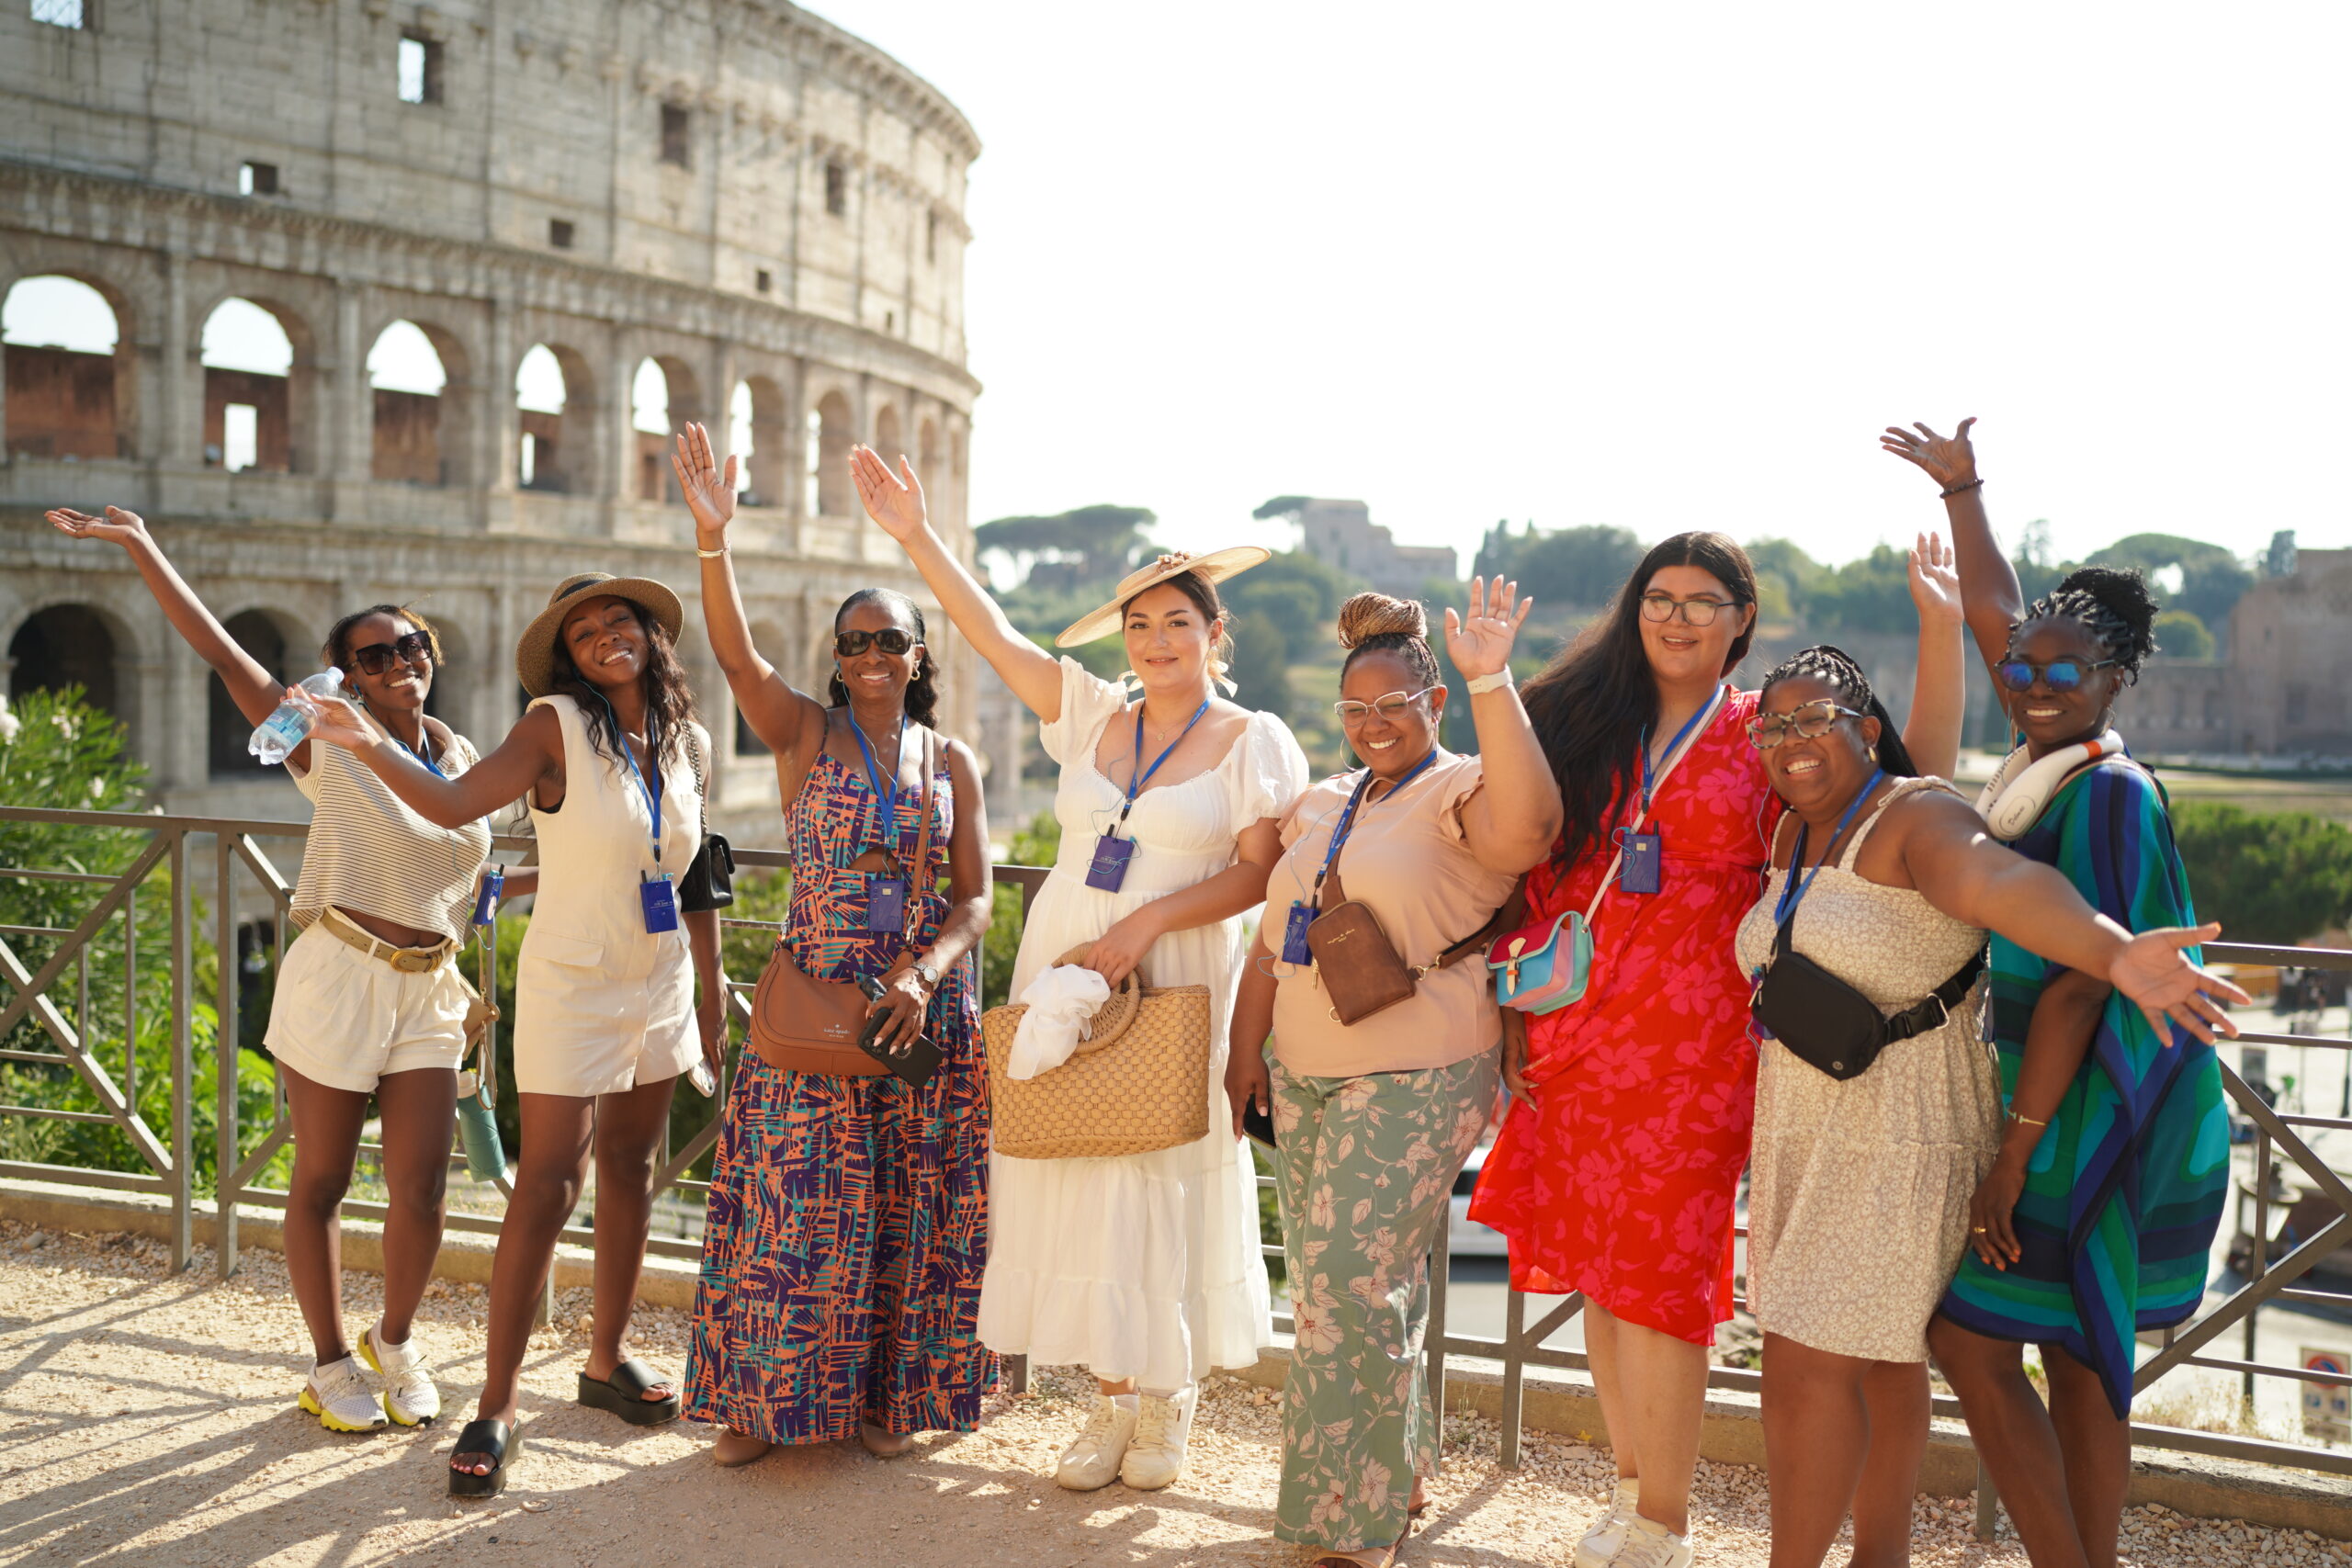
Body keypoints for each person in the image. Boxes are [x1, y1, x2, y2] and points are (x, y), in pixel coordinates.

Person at [1468, 530, 1967, 1568]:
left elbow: (1915, 775)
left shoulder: (1765, 730)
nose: (1678, 617)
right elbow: (1532, 862)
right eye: (1660, 597)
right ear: (1632, 608)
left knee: (1663, 1281)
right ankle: (1624, 1493)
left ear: (1743, 618)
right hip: (1579, 1028)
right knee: (1605, 1281)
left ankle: (1665, 1520)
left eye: (1704, 600)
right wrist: (1516, 1015)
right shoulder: (1590, 720)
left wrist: (1939, 627)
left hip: (1702, 1047)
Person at [852, 444, 1308, 1492]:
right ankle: (1107, 1397)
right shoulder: (1094, 713)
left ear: (1212, 632)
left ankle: (1165, 1403)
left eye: (1177, 622)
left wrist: (1145, 927)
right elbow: (991, 633)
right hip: (1063, 969)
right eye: (1139, 625)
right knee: (1080, 1168)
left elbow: (1256, 875)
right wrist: (918, 536)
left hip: (1176, 969)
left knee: (1156, 1174)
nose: (1156, 641)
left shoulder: (1252, 736)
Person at [1735, 644, 2244, 1568]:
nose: (1790, 740)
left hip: (1902, 1133)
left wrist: (2112, 952)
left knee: (1803, 1365)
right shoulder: (1788, 831)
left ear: (1867, 729)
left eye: (1815, 720)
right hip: (1806, 1126)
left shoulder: (1920, 817)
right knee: (1882, 1361)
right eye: (1772, 724)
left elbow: (2002, 886)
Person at [46, 503, 516, 1435]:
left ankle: (394, 1339)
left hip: (429, 983)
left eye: (409, 645)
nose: (397, 665)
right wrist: (143, 546)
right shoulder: (324, 741)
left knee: (423, 1184)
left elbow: (466, 866)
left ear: (432, 655)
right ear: (348, 676)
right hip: (340, 971)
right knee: (323, 1182)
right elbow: (229, 659)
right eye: (373, 656)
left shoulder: (460, 755)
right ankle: (330, 1363)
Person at [1885, 419, 2239, 1568]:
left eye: (2059, 672)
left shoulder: (2107, 795)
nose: (2028, 683)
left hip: (2102, 1103)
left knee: (1973, 1339)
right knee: (2082, 1357)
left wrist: (2011, 1154)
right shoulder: (2058, 754)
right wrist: (1966, 493)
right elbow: (2000, 618)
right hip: (2092, 1093)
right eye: (2019, 671)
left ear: (2115, 680)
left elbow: (2084, 992)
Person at [299, 570, 726, 1499]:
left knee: (631, 1167)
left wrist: (713, 992)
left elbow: (694, 873)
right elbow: (451, 807)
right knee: (546, 1184)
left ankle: (606, 1357)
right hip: (572, 980)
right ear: (566, 658)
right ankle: (496, 1404)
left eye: (621, 620)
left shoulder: (690, 739)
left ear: (653, 635)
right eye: (584, 633)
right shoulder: (550, 727)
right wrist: (362, 737)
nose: (606, 637)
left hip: (660, 979)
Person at [665, 423, 997, 1464]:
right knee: (789, 1208)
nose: (867, 657)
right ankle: (765, 1408)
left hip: (911, 1011)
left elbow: (976, 898)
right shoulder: (804, 732)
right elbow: (732, 655)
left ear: (917, 653)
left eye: (886, 640)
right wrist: (713, 539)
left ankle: (888, 1405)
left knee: (907, 1212)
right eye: (851, 643)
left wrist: (926, 970)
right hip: (811, 1000)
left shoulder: (954, 761)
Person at [1226, 584, 1561, 1568]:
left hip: (1419, 1071)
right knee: (1370, 1291)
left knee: (1340, 1286)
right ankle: (1393, 1474)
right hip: (1305, 1070)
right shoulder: (1324, 802)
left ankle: (1345, 1523)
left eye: (1395, 706)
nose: (1374, 725)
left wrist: (1491, 675)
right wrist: (1245, 1053)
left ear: (1434, 706)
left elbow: (1534, 825)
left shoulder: (1463, 794)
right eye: (1355, 710)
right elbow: (1268, 946)